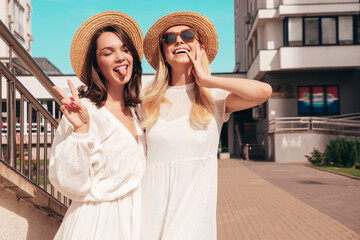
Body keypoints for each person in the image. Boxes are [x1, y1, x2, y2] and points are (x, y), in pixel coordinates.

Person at [139, 11, 272, 240]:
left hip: (193, 216)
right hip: (150, 212)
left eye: (188, 35)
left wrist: (207, 80)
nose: (178, 41)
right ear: (163, 52)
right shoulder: (147, 100)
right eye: (169, 38)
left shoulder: (214, 98)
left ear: (200, 47)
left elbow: (263, 92)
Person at [49, 11, 145, 240]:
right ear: (97, 64)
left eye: (125, 49)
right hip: (97, 224)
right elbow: (71, 184)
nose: (120, 57)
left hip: (137, 221)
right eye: (108, 52)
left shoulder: (138, 111)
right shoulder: (85, 111)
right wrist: (81, 133)